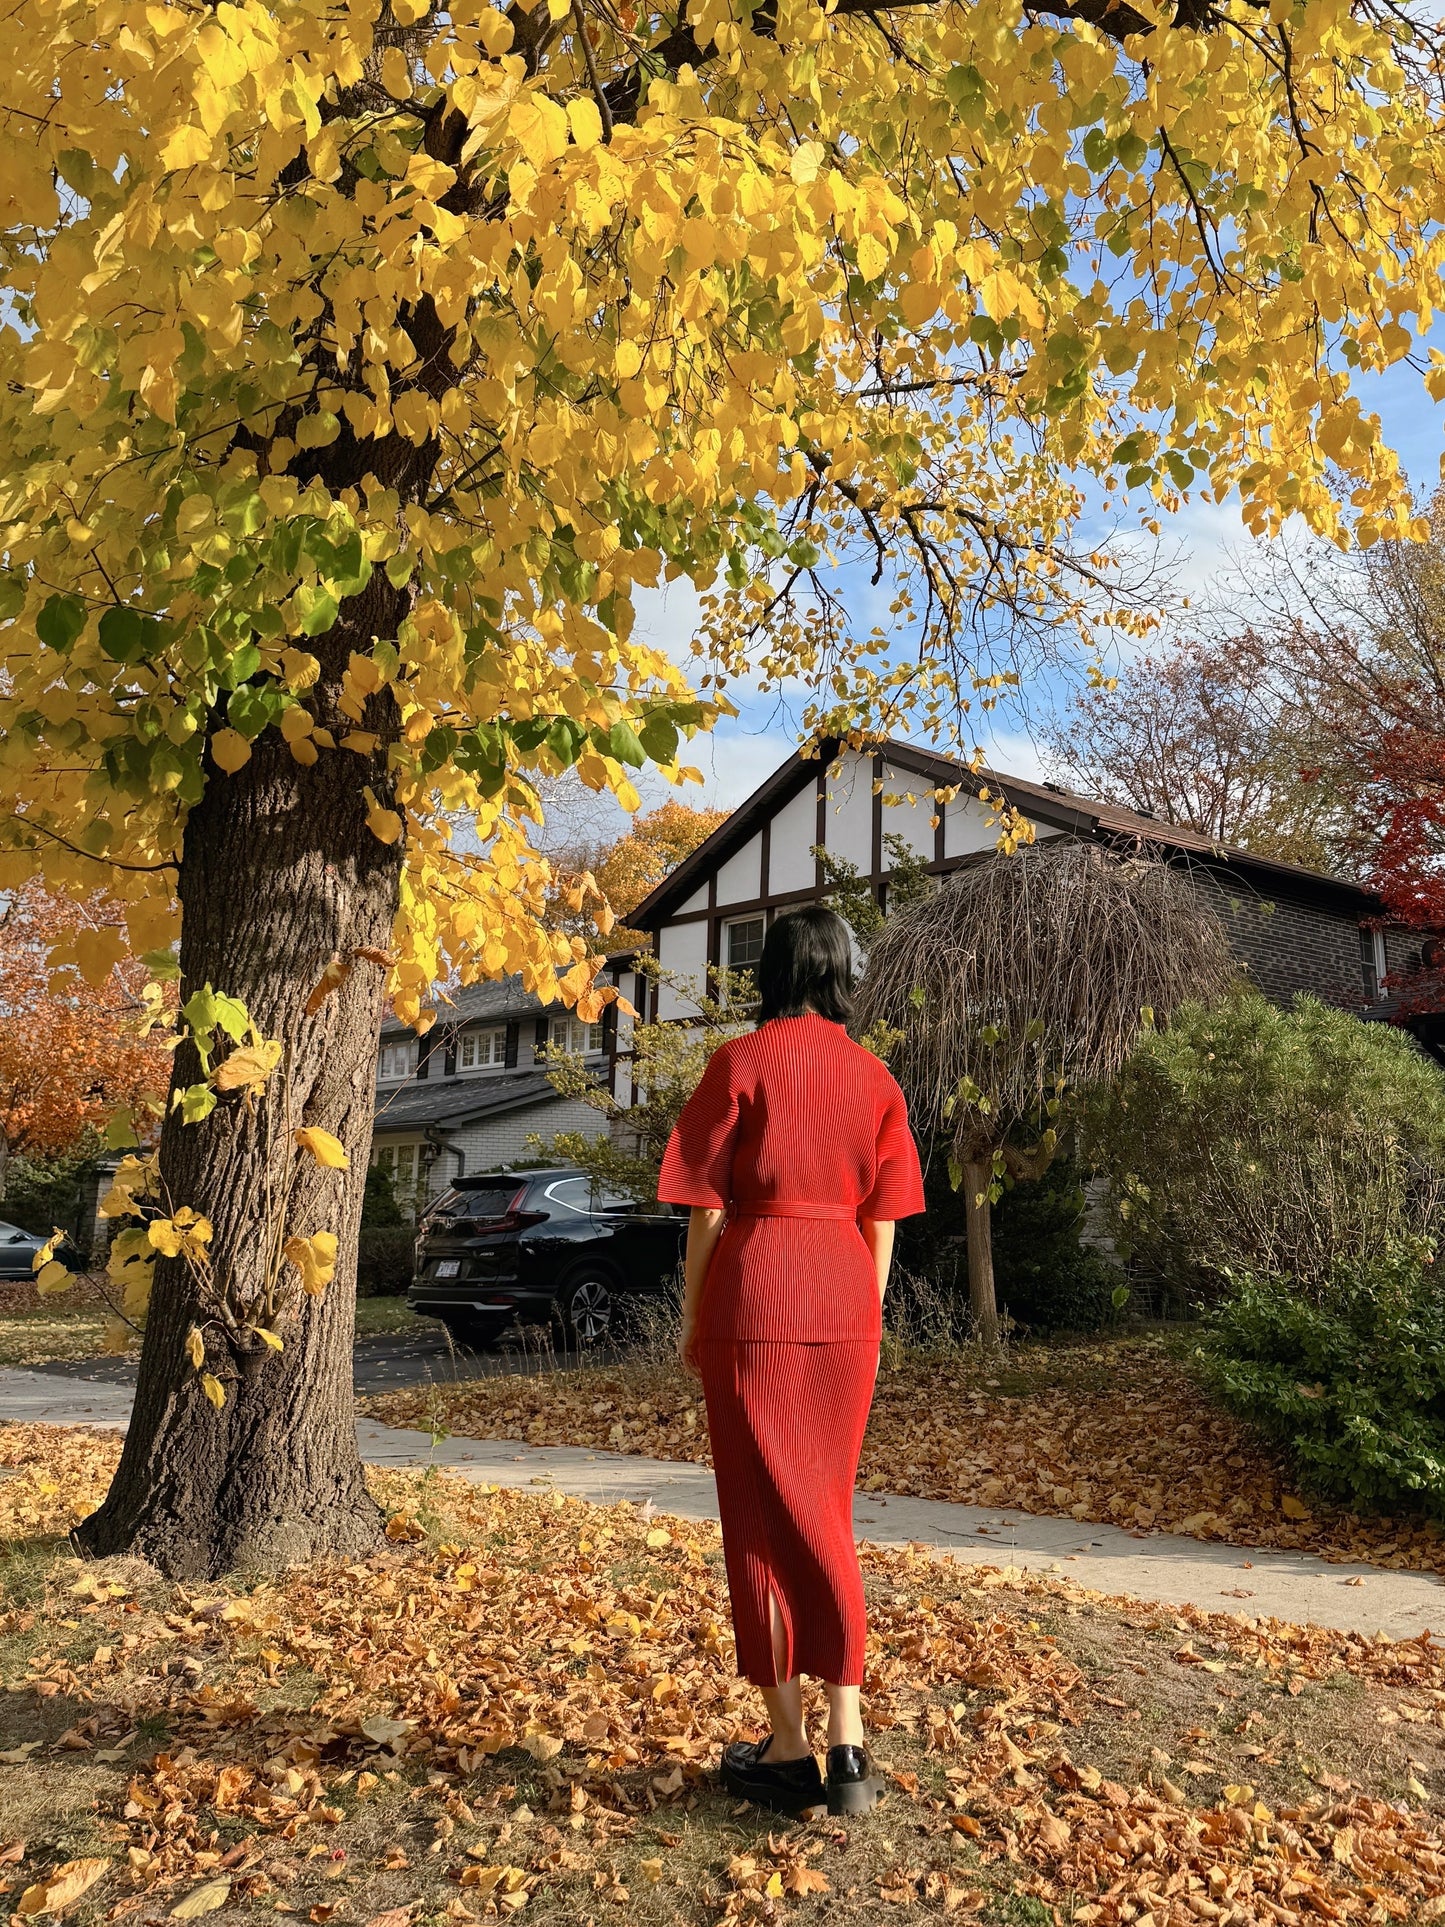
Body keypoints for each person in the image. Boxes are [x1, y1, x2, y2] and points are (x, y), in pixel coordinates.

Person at [658, 903, 925, 1818]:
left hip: (756, 1295)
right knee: (827, 1512)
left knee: (761, 1524)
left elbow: (702, 1207)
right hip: (845, 1301)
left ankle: (786, 1745)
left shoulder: (739, 1062)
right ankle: (847, 1743)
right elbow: (881, 1218)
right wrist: (863, 1313)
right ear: (841, 970)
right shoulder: (876, 1077)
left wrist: (695, 1316)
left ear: (768, 968)